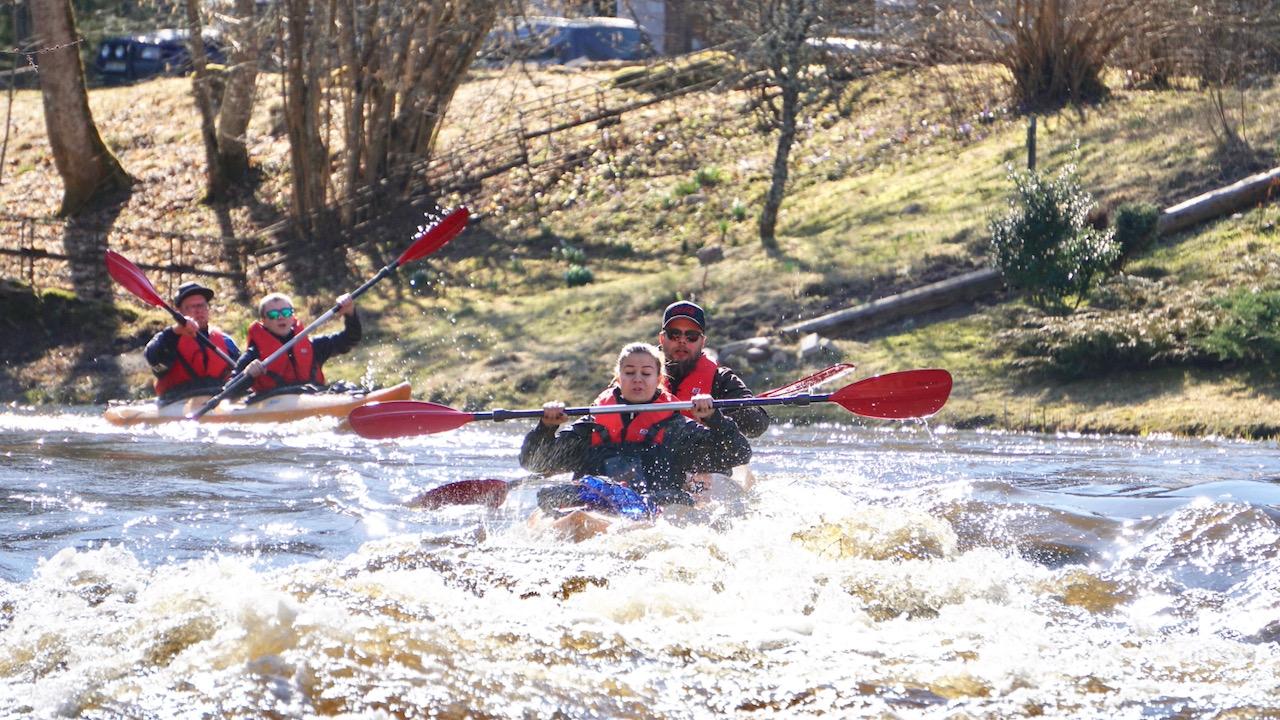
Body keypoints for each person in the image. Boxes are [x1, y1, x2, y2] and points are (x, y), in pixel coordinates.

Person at [519, 342, 751, 539]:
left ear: (658, 379)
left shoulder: (675, 429)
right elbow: (535, 463)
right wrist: (546, 428)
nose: (637, 379)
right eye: (629, 372)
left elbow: (738, 454)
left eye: (646, 373)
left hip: (655, 512)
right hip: (593, 508)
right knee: (572, 511)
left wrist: (714, 419)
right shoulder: (592, 426)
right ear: (618, 378)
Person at [235, 291, 362, 396]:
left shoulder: (314, 346)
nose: (281, 317)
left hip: (314, 399)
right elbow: (229, 391)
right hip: (276, 408)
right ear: (264, 321)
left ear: (292, 316)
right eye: (273, 314)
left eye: (286, 313)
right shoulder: (253, 356)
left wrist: (350, 312)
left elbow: (351, 338)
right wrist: (248, 375)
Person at [144, 281, 241, 404]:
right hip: (177, 403)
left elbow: (240, 372)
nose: (198, 311)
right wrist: (175, 332)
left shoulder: (225, 341)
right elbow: (154, 359)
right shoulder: (167, 339)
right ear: (179, 313)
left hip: (219, 401)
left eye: (201, 306)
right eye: (191, 307)